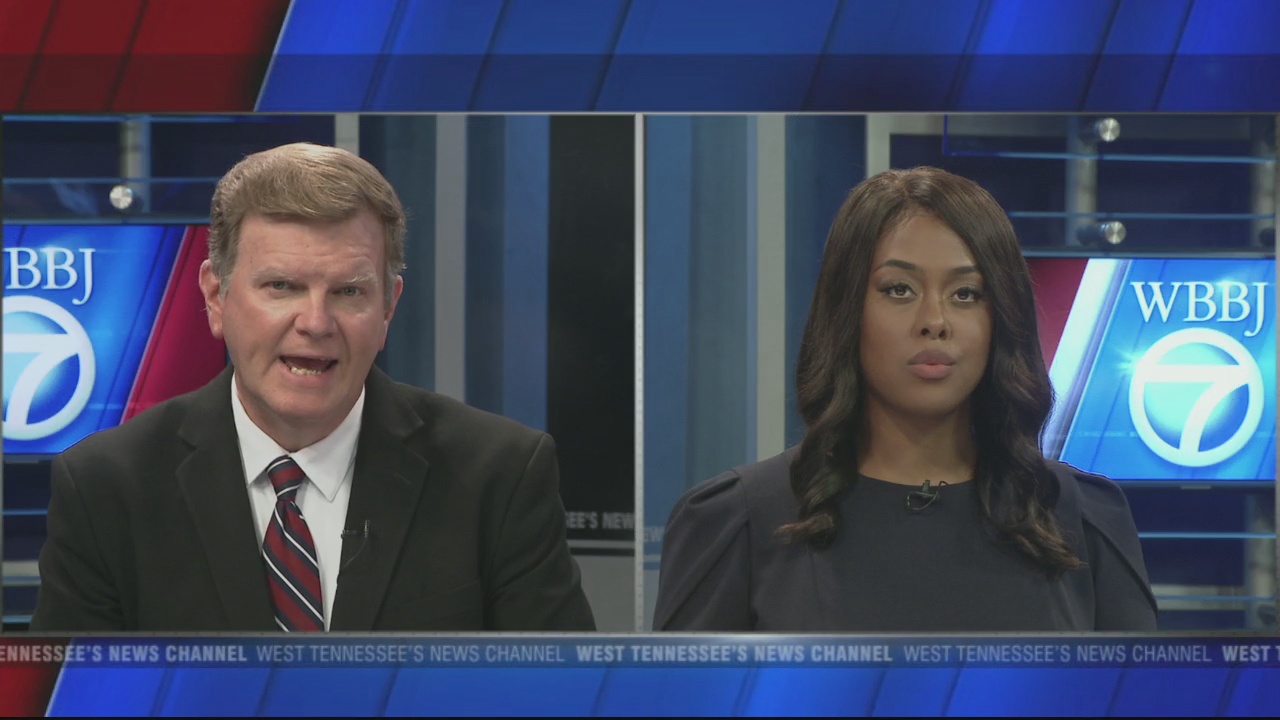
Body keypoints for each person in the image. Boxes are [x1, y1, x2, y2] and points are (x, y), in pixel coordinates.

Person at [31, 143, 595, 632]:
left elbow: (560, 698)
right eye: (282, 286)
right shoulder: (107, 485)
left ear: (388, 307)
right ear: (216, 297)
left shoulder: (499, 474)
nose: (316, 323)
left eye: (349, 292)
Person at [653, 167, 1157, 632]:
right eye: (899, 289)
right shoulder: (737, 521)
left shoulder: (1084, 518)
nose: (934, 320)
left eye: (966, 294)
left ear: (1001, 318)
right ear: (846, 310)